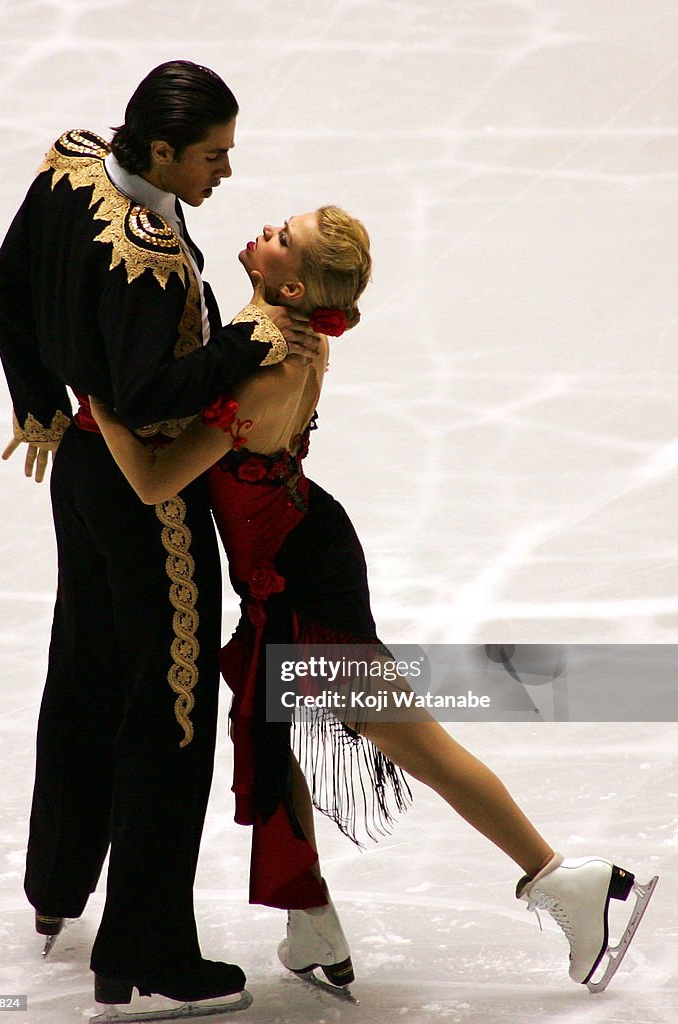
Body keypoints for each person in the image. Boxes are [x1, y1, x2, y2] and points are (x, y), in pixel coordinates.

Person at [89, 206, 658, 1001]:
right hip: (285, 563)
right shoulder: (268, 330)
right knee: (263, 730)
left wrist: (96, 401)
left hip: (304, 581)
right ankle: (310, 920)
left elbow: (155, 480)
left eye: (282, 237)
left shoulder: (270, 364)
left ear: (290, 282)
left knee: (414, 744)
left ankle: (569, 880)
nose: (264, 228)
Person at [0, 60, 319, 1012]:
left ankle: (56, 885)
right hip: (149, 502)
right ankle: (148, 947)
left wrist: (41, 406)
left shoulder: (71, 164)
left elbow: (2, 286)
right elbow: (145, 393)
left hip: (84, 478)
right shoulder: (152, 256)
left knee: (85, 665)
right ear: (163, 149)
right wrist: (244, 345)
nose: (225, 173)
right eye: (212, 156)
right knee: (169, 714)